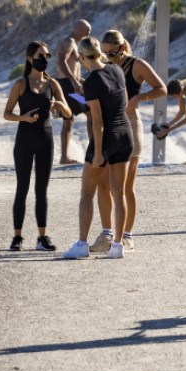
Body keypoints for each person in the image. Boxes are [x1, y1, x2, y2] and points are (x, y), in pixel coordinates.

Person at [63, 36, 134, 260]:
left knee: (86, 192)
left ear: (83, 57)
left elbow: (97, 120)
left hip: (106, 137)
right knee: (119, 192)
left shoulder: (92, 80)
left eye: (80, 59)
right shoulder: (116, 70)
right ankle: (117, 246)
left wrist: (98, 154)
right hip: (125, 134)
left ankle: (82, 244)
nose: (81, 63)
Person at [2, 41, 72, 252]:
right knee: (22, 188)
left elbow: (69, 113)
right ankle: (17, 237)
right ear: (30, 58)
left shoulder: (52, 85)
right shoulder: (20, 84)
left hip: (46, 140)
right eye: (40, 56)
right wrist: (23, 118)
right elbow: (7, 113)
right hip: (24, 140)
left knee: (42, 190)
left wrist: (60, 105)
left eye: (47, 56)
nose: (44, 60)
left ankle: (42, 237)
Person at [100, 29, 166, 252]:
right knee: (105, 184)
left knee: (126, 187)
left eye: (110, 52)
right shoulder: (105, 64)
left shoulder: (137, 64)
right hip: (109, 126)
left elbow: (161, 88)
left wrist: (140, 97)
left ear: (120, 47)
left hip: (130, 123)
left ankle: (127, 235)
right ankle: (107, 233)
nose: (107, 56)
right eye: (104, 52)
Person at [53, 18, 91, 164]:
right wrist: (74, 81)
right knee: (91, 110)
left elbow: (71, 67)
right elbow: (61, 62)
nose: (87, 35)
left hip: (69, 85)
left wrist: (79, 80)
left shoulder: (74, 43)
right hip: (68, 87)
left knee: (69, 120)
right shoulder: (68, 42)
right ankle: (92, 152)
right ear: (78, 28)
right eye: (86, 32)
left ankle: (64, 157)